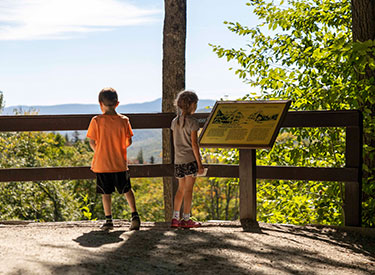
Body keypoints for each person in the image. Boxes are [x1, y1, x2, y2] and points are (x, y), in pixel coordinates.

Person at [87, 87, 140, 231]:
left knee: (106, 193)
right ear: (117, 104)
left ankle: (109, 220)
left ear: (100, 104)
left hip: (102, 164)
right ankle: (135, 215)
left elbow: (92, 142)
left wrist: (100, 151)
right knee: (127, 189)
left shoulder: (96, 121)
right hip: (119, 164)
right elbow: (128, 142)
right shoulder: (124, 120)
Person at [170, 90, 204, 228]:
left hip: (178, 161)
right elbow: (194, 145)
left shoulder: (174, 122)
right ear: (192, 105)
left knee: (180, 189)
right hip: (190, 161)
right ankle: (186, 219)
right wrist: (200, 164)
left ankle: (175, 218)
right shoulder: (193, 122)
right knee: (189, 190)